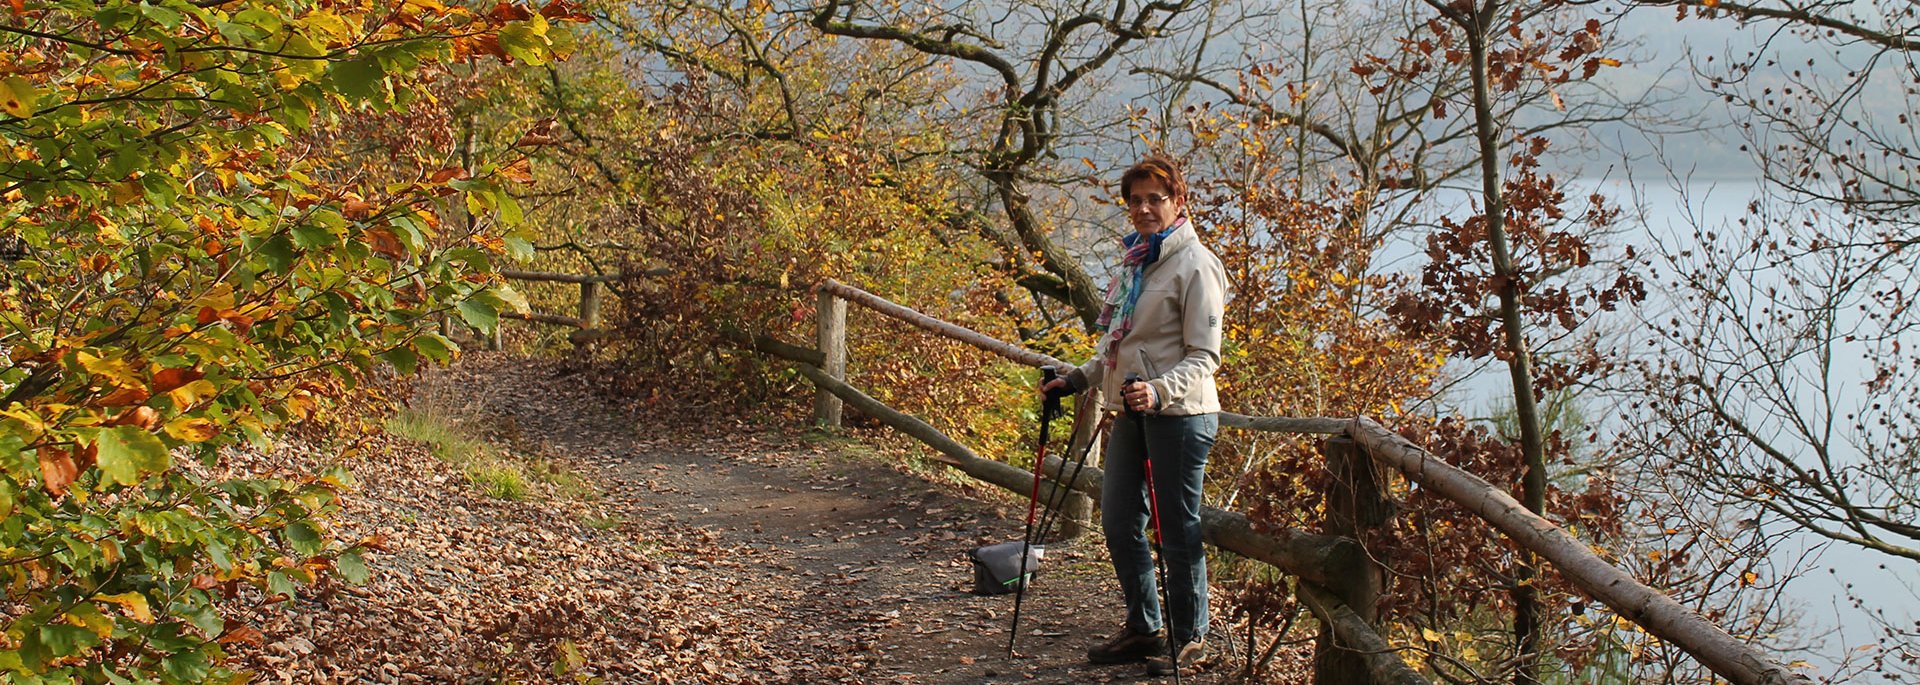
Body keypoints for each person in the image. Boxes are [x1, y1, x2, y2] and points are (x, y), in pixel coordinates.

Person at [1041, 154, 1227, 677]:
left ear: (1178, 203)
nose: (1144, 208)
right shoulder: (1137, 262)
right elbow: (1117, 345)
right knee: (1119, 520)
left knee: (1178, 530)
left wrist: (1160, 391)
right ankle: (1146, 628)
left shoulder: (1196, 265)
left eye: (1155, 199)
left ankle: (1191, 641)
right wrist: (1077, 378)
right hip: (1131, 410)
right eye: (1136, 200)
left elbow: (1205, 355)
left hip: (1181, 416)